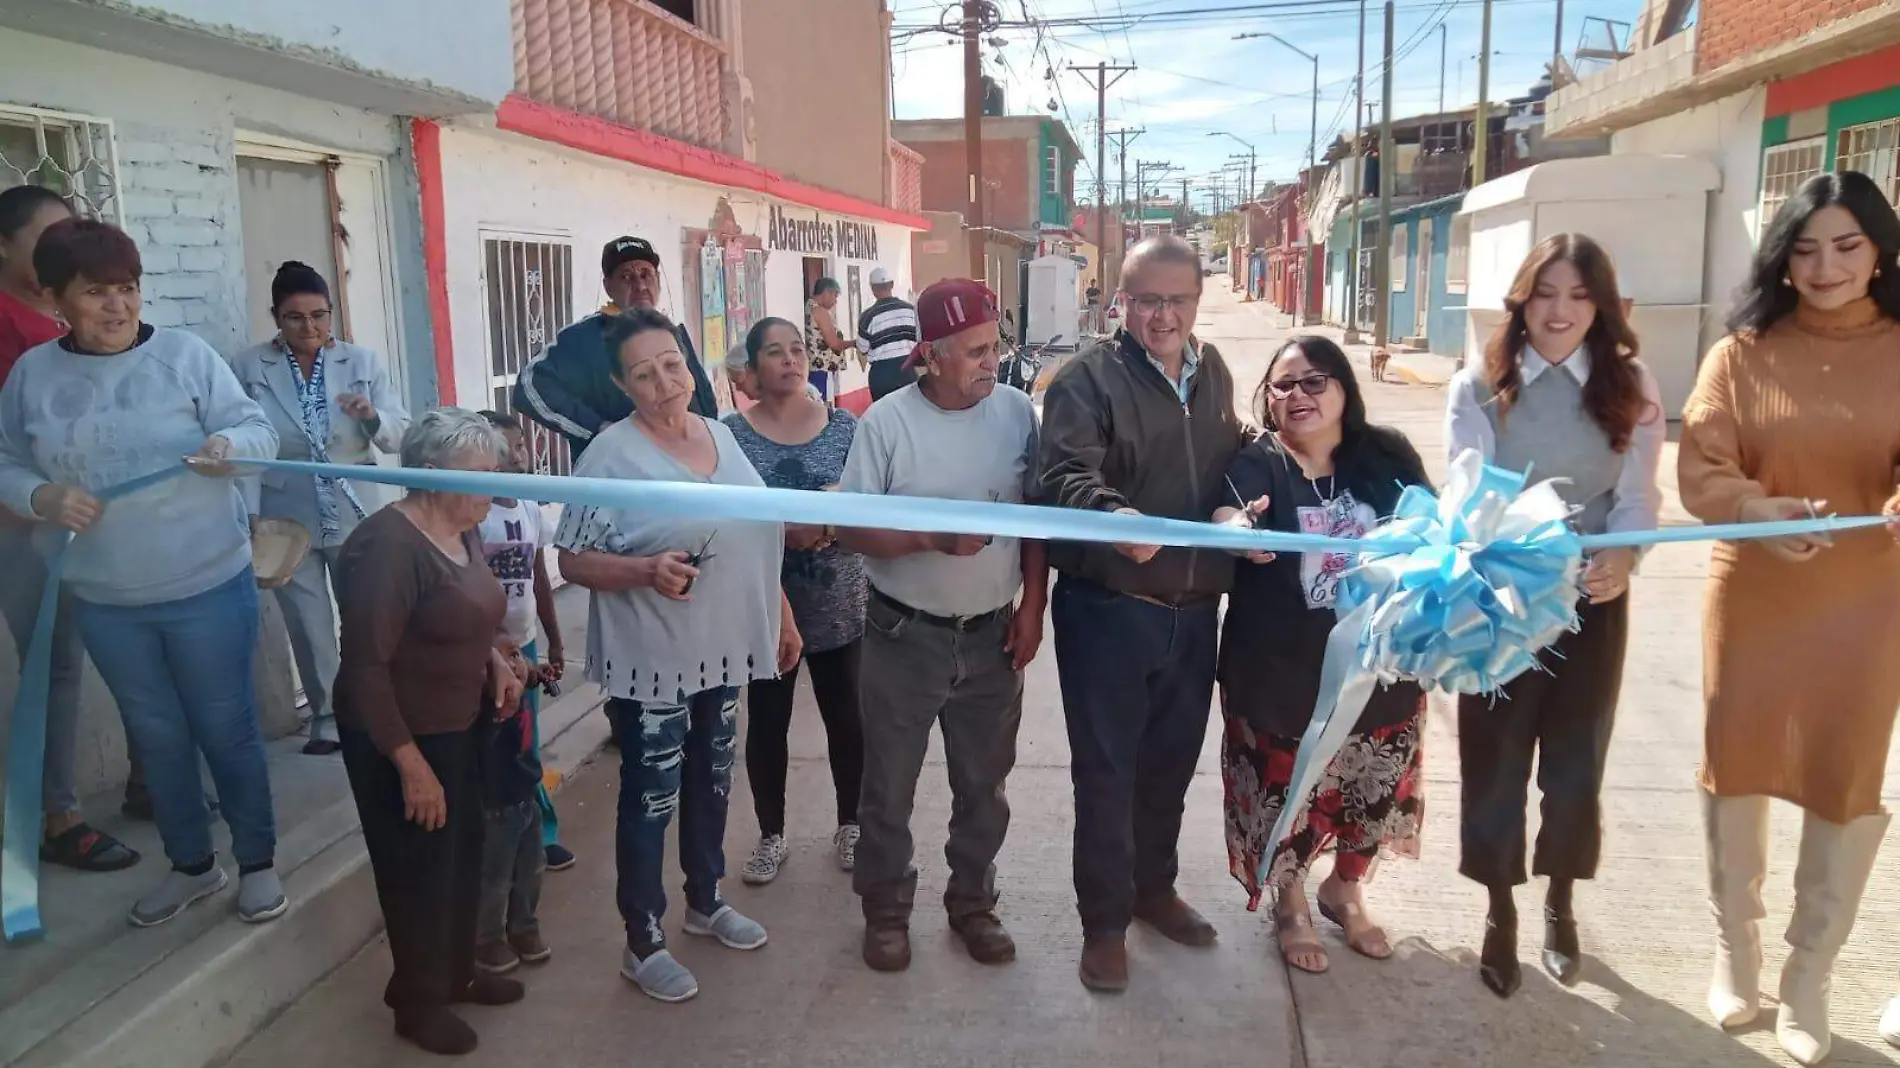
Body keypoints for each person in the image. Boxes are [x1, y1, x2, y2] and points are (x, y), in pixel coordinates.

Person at [0, 218, 286, 927]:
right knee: (157, 739)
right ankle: (192, 865)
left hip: (207, 587)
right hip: (106, 599)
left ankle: (257, 863)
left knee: (228, 730)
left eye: (127, 289)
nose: (117, 307)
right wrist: (40, 496)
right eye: (95, 292)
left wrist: (229, 444)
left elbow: (258, 430)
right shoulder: (33, 375)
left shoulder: (185, 358)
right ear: (55, 299)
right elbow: (6, 460)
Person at [1679, 171, 1900, 1067]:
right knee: (1736, 765)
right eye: (1805, 249)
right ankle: (1737, 952)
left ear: (1881, 248)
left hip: (1867, 601)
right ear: (1783, 259)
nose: (1825, 266)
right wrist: (1752, 510)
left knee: (1844, 778)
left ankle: (1810, 978)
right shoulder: (1740, 352)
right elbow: (1703, 463)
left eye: (1847, 245)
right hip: (1755, 594)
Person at [553, 307, 798, 1003]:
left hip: (722, 649)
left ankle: (705, 900)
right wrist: (645, 571)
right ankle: (643, 938)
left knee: (712, 780)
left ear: (688, 365)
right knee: (651, 794)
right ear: (621, 384)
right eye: (643, 373)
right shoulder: (611, 454)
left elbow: (756, 531)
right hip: (654, 658)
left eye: (671, 364)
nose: (663, 382)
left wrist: (778, 615)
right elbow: (571, 558)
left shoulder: (720, 433)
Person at [1443, 232, 1663, 1000]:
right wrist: (1512, 556)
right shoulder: (1482, 381)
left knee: (1575, 763)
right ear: (1521, 299)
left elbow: (1637, 496)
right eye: (1545, 292)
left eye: (1577, 294)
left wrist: (1626, 557)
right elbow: (1469, 489)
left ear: (1599, 305)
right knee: (1496, 759)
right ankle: (1500, 910)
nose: (1559, 310)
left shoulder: (1629, 383)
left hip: (1593, 602)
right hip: (1503, 602)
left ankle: (1561, 900)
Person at [1039, 235, 1247, 993]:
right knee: (1106, 775)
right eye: (1148, 299)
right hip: (1109, 611)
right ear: (1120, 302)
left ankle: (1154, 891)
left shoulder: (1213, 371)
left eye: (1178, 300)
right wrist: (1111, 515)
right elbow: (1059, 473)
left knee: (1167, 771)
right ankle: (1104, 925)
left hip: (1195, 612)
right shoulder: (1086, 380)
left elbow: (1233, 454)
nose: (1163, 315)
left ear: (1197, 302)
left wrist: (1253, 503)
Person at [838, 277, 1046, 973]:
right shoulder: (886, 424)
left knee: (984, 785)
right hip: (904, 636)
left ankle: (973, 904)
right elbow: (851, 532)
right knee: (889, 788)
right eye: (977, 351)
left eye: (996, 347)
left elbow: (1038, 521)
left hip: (993, 637)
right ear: (930, 355)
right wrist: (933, 537)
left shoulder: (1018, 413)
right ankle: (887, 912)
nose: (993, 362)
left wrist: (1033, 607)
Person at [1215, 336, 1430, 976]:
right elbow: (1229, 512)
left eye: (1314, 381)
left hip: (1381, 668)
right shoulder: (1258, 463)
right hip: (1283, 675)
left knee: (1374, 785)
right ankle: (1291, 900)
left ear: (1343, 388)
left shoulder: (1386, 455)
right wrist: (1236, 532)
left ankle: (1345, 888)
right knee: (1288, 792)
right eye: (1283, 386)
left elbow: (1433, 524)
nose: (1298, 396)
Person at [332, 408, 526, 1055]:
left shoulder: (461, 525)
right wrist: (411, 765)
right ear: (433, 475)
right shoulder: (387, 546)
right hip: (400, 733)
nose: (493, 488)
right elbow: (364, 665)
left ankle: (456, 972)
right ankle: (416, 1001)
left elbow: (465, 611)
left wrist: (495, 661)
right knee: (416, 869)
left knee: (461, 854)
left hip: (460, 721)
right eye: (480, 475)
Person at [0, 186, 139, 871]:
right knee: (53, 668)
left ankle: (145, 778)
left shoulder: (67, 325)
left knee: (124, 647)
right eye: (50, 236)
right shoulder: (9, 331)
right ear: (5, 245)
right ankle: (58, 815)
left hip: (97, 527)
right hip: (24, 530)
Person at [232, 261, 409, 756]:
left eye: (319, 315)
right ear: (275, 317)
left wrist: (371, 416)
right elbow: (245, 449)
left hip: (353, 501)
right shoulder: (249, 367)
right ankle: (329, 718)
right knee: (306, 621)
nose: (309, 328)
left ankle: (378, 708)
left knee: (366, 612)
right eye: (294, 317)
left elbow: (400, 433)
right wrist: (249, 515)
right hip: (287, 507)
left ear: (332, 314)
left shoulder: (362, 362)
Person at [723, 317, 867, 884]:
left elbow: (865, 505)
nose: (790, 359)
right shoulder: (731, 435)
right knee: (767, 723)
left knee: (846, 719)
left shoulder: (844, 428)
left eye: (798, 349)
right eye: (775, 352)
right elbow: (726, 518)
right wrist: (780, 534)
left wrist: (825, 530)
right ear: (753, 368)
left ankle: (851, 823)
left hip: (838, 599)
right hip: (763, 604)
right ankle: (770, 834)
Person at [511, 236, 717, 458]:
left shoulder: (670, 332)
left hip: (689, 469)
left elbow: (703, 402)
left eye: (646, 274)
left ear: (657, 280)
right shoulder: (584, 338)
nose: (639, 286)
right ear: (608, 286)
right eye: (626, 277)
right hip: (619, 473)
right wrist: (596, 429)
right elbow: (528, 387)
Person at [476, 411, 575, 874]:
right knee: (490, 743)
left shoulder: (530, 508)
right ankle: (497, 839)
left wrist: (554, 643)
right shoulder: (473, 514)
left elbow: (538, 579)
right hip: (484, 652)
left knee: (527, 744)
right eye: (506, 448)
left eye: (519, 446)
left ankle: (541, 834)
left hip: (526, 643)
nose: (518, 455)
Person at [857, 266, 920, 401]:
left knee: (883, 417)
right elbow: (919, 339)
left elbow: (862, 348)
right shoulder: (911, 310)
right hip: (907, 370)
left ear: (872, 288)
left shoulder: (867, 316)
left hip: (881, 374)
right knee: (909, 413)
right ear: (892, 285)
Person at [806, 277, 854, 403]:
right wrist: (855, 343)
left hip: (811, 367)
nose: (835, 301)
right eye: (835, 296)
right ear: (827, 292)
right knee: (823, 405)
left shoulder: (808, 307)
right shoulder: (820, 311)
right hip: (822, 368)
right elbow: (834, 344)